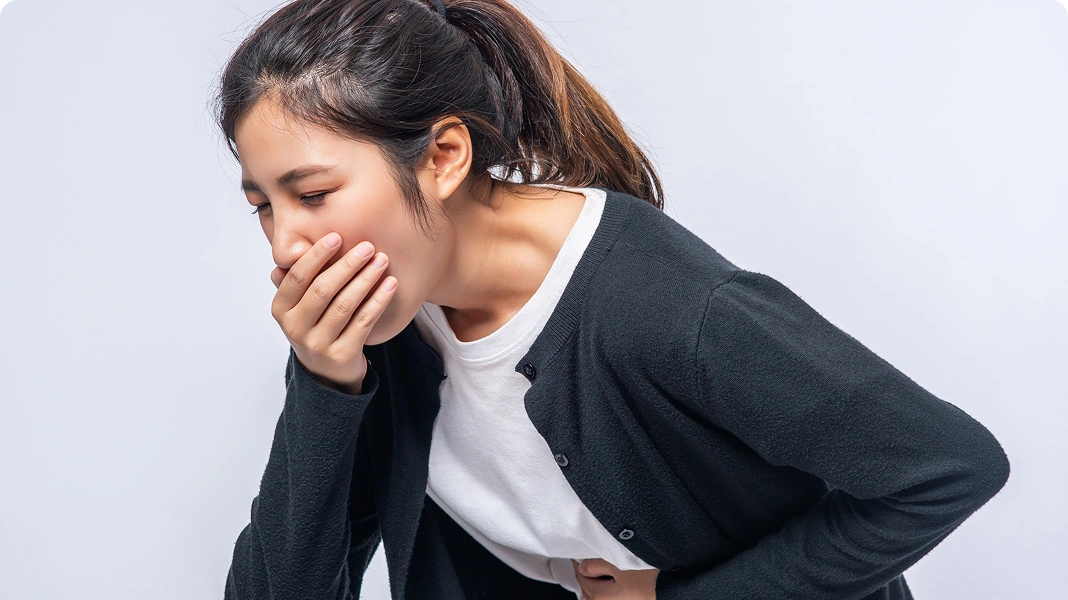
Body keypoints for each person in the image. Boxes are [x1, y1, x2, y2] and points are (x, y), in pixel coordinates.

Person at [214, 1, 1010, 599]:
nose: (285, 245)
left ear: (445, 157)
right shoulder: (378, 321)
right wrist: (325, 385)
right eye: (263, 205)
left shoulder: (660, 305)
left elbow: (946, 468)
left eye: (312, 192)